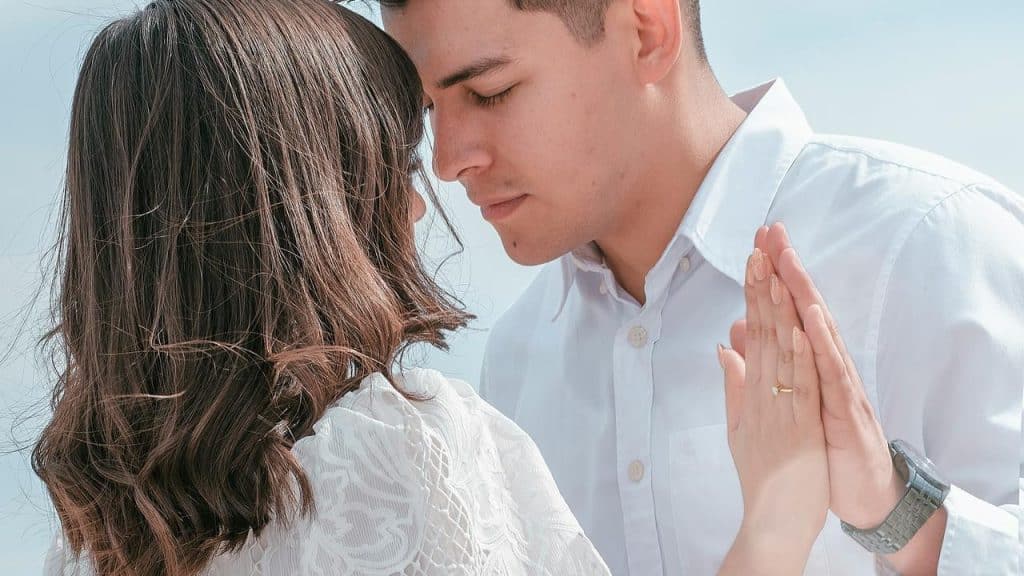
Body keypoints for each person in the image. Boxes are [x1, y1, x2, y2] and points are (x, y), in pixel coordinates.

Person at [33, 1, 832, 575]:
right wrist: (776, 522)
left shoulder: (95, 540)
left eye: (490, 93)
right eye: (394, 161)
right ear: (309, 202)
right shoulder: (401, 446)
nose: (427, 192)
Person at [369, 0, 1024, 574]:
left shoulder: (930, 242)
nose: (447, 161)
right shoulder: (517, 360)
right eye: (429, 110)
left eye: (490, 91)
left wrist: (896, 512)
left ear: (647, 32)